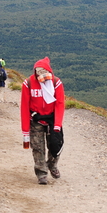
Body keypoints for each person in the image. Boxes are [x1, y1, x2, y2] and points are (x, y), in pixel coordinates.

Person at [20, 57, 65, 185]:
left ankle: (52, 165)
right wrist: (25, 130)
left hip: (51, 119)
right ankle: (41, 173)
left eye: (43, 71)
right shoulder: (28, 83)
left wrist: (57, 125)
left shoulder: (56, 83)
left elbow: (60, 104)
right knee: (38, 148)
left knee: (55, 145)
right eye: (37, 71)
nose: (40, 74)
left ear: (48, 70)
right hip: (36, 120)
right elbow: (24, 106)